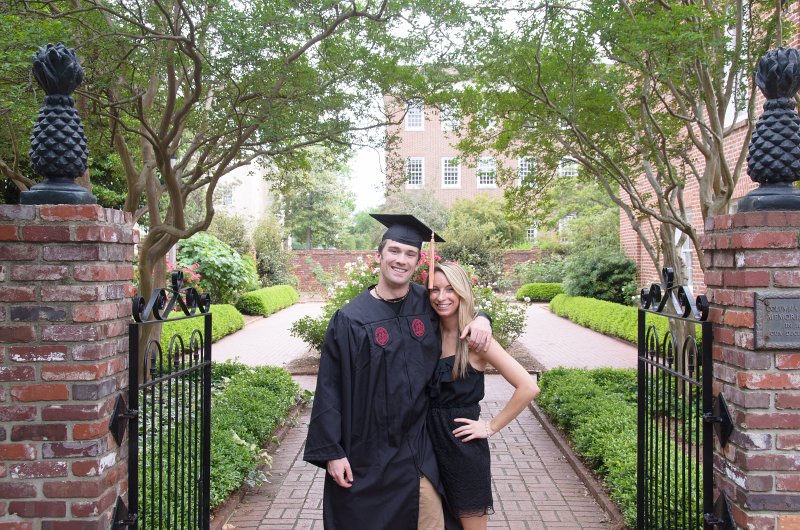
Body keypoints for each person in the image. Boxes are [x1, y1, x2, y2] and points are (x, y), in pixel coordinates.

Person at [303, 214, 493, 530]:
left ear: (419, 261)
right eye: (394, 251)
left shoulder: (427, 303)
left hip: (420, 449)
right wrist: (331, 452)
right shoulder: (351, 319)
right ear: (378, 255)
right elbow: (329, 389)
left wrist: (483, 318)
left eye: (409, 254)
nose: (400, 260)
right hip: (368, 452)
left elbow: (461, 312)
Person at [427, 261, 540, 530]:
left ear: (462, 292)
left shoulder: (476, 341)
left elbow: (528, 387)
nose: (441, 297)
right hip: (426, 444)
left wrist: (490, 426)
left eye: (450, 289)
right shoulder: (427, 334)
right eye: (434, 289)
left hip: (461, 447)